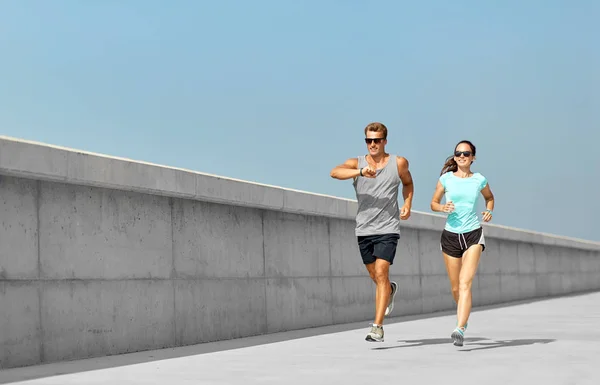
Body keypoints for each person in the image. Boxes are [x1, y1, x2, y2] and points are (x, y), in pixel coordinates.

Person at [330, 122, 414, 342]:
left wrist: (407, 203)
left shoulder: (398, 163)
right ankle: (390, 290)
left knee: (381, 272)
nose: (373, 144)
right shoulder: (356, 163)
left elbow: (408, 183)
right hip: (364, 228)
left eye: (377, 140)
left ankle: (377, 327)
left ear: (385, 141)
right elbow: (334, 172)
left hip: (388, 228)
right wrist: (359, 172)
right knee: (375, 276)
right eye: (369, 140)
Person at [429, 140, 495, 347]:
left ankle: (460, 327)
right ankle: (463, 317)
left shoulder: (479, 180)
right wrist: (442, 208)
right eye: (458, 153)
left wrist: (489, 210)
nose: (462, 156)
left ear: (473, 157)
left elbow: (490, 198)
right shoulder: (446, 179)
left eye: (466, 153)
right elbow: (433, 203)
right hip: (450, 236)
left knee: (466, 284)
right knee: (456, 288)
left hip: (473, 234)